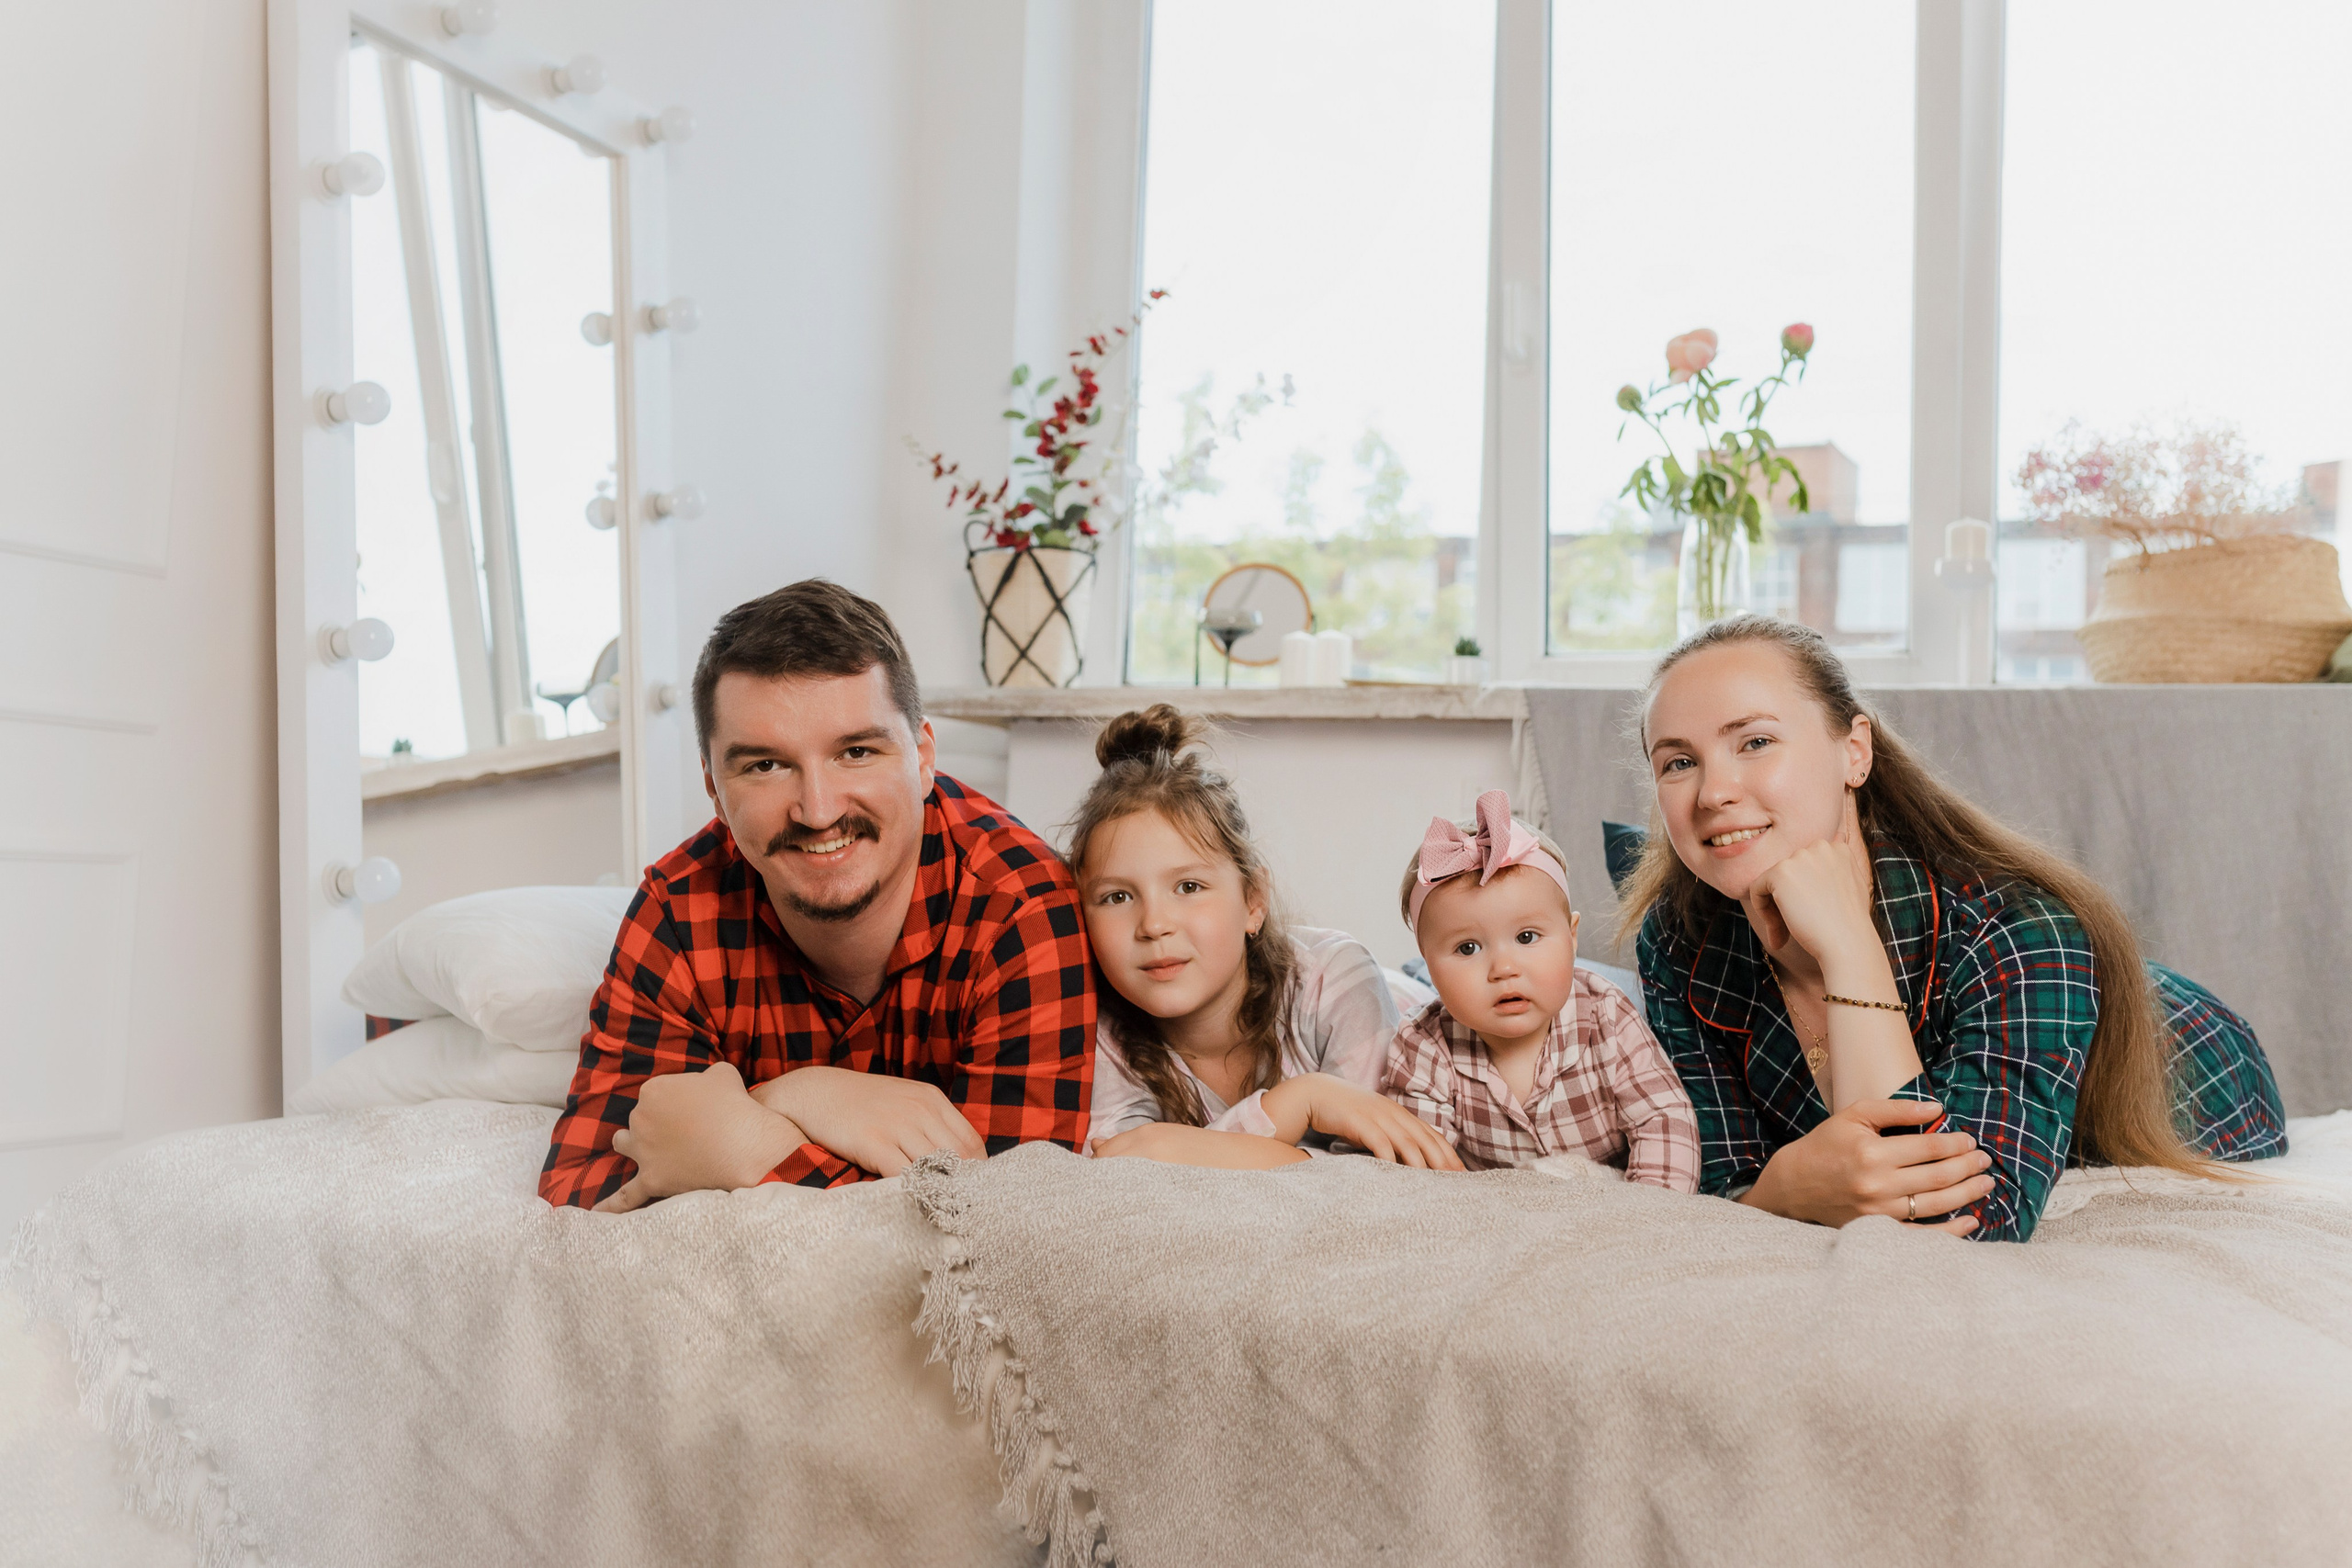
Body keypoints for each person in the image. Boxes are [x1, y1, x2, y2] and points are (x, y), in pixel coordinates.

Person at [1628, 615, 2287, 1243]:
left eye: (1755, 741)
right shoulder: (1680, 935)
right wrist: (1783, 1189)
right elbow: (1716, 1174)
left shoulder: (2023, 926)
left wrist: (1849, 948)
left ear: (1855, 752)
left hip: (2187, 1049)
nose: (1712, 792)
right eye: (1678, 762)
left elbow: (1965, 1216)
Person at [538, 581, 1094, 1211]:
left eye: (856, 751)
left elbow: (1015, 1219)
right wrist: (804, 1098)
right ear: (715, 789)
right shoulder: (677, 910)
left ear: (923, 757)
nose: (818, 810)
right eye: (765, 766)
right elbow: (581, 1184)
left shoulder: (1019, 905)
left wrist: (752, 1134)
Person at [1072, 706, 1460, 1171]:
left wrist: (1296, 1102)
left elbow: (1381, 1170)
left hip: (1417, 992)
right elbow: (1122, 1163)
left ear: (1253, 900)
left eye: (1188, 887)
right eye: (1117, 896)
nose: (1154, 925)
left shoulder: (1335, 977)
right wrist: (1300, 1104)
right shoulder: (1098, 1033)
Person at [1382, 790, 1701, 1189]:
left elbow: (1663, 1120)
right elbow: (1418, 1166)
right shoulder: (1422, 1047)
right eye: (1467, 948)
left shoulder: (1605, 1017)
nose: (1504, 969)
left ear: (1571, 938)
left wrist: (1650, 1215)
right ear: (1428, 963)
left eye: (1527, 937)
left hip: (1617, 1193)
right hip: (1494, 1209)